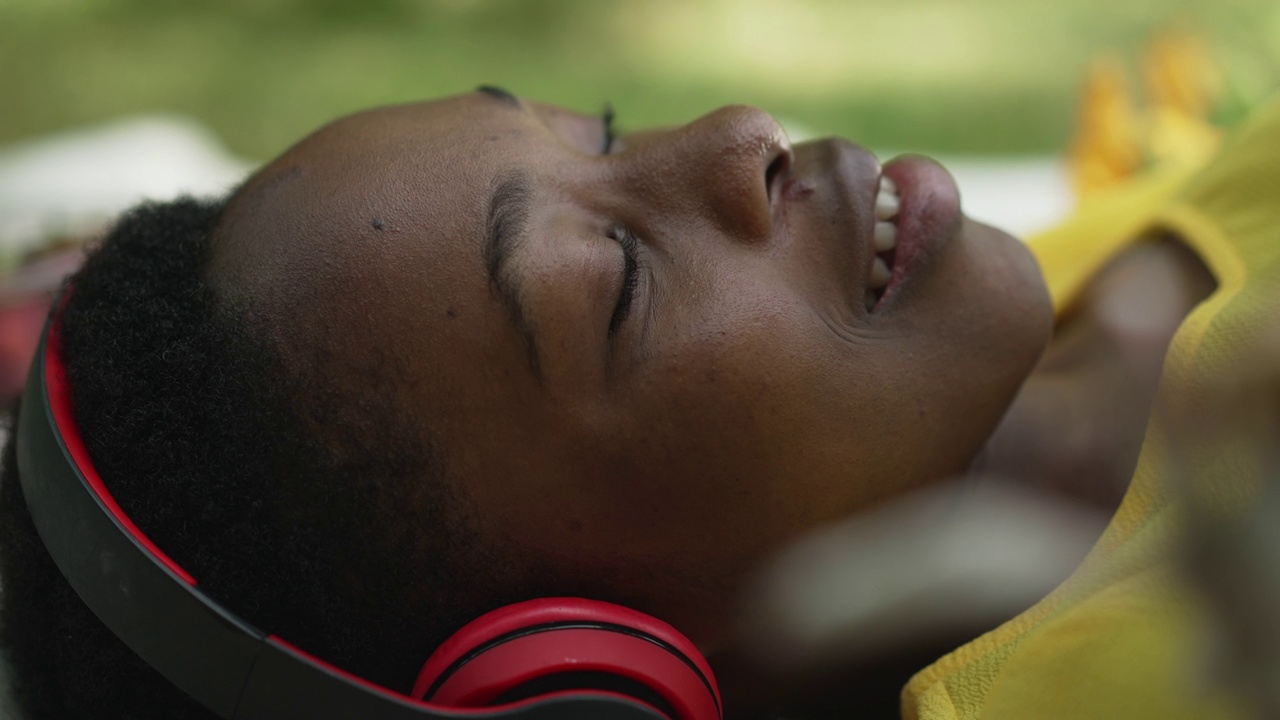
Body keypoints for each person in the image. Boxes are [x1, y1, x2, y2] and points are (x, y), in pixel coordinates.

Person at [0, 84, 1275, 719]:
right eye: (614, 285)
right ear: (586, 678)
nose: (737, 134)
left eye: (599, 137)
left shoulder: (1081, 286)